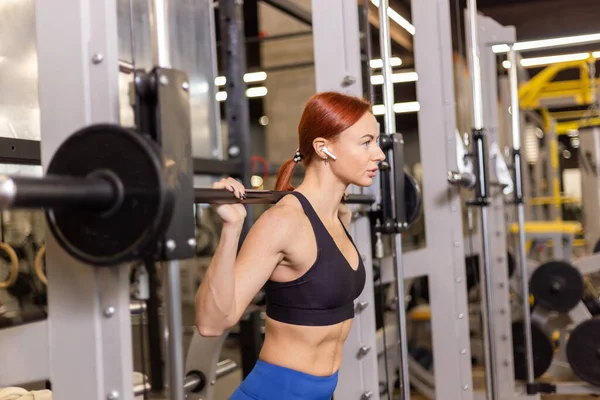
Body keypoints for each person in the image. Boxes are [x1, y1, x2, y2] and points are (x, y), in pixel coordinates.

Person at [195, 91, 386, 399]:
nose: (379, 154)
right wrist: (231, 227)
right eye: (366, 142)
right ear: (324, 148)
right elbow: (212, 322)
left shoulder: (337, 217)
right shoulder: (283, 222)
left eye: (376, 142)